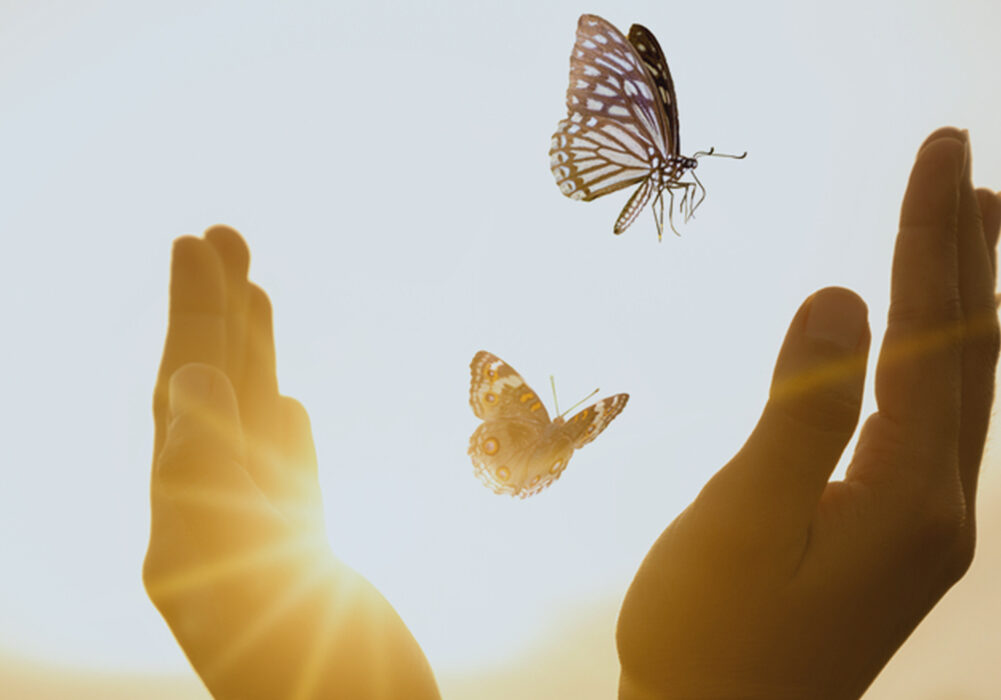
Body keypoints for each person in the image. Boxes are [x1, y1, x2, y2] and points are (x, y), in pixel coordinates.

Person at [144, 127, 999, 699]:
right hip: (529, 456)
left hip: (526, 455)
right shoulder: (549, 416)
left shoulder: (559, 419)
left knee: (530, 446)